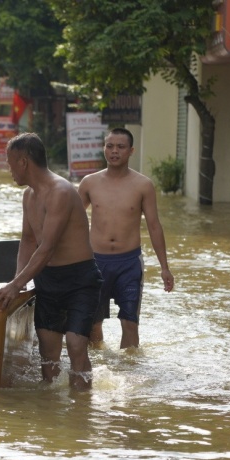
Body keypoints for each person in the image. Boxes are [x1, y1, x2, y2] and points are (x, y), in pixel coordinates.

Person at [0, 133, 102, 391]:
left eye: (9, 163)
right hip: (47, 279)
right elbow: (28, 241)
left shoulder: (60, 191)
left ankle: (82, 408)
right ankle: (49, 409)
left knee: (75, 344)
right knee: (48, 355)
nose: (9, 170)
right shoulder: (29, 196)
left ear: (24, 162)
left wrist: (16, 284)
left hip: (79, 279)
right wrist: (19, 282)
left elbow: (47, 248)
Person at [78, 128, 174, 349]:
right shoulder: (89, 183)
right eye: (109, 146)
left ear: (131, 151)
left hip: (129, 263)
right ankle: (100, 367)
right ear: (104, 148)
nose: (114, 151)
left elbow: (154, 226)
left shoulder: (143, 185)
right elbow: (73, 221)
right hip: (95, 262)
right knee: (93, 324)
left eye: (120, 147)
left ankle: (130, 373)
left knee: (130, 322)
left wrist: (164, 267)